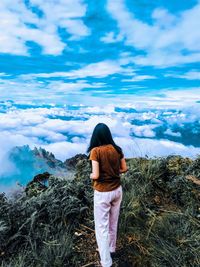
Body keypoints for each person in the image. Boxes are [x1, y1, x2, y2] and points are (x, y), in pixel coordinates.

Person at [87, 123, 128, 267]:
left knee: (101, 227)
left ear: (95, 137)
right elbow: (124, 168)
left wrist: (91, 175)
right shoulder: (117, 149)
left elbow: (96, 174)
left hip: (103, 193)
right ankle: (111, 248)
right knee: (113, 222)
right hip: (117, 190)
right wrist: (113, 172)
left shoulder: (95, 151)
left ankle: (106, 262)